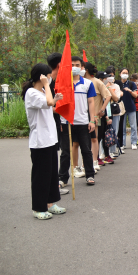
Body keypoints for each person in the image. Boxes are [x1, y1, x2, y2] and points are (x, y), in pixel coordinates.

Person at [22, 63, 66, 220]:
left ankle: (50, 203)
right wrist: (48, 89)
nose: (50, 77)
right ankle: (38, 208)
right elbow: (47, 102)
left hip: (50, 139)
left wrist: (56, 99)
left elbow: (50, 104)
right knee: (41, 175)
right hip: (39, 142)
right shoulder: (31, 93)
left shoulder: (41, 91)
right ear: (41, 76)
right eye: (48, 75)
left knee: (52, 174)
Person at [58, 56, 97, 186]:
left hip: (83, 122)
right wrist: (60, 121)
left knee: (86, 150)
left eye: (77, 65)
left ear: (82, 67)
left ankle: (90, 175)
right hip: (66, 122)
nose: (74, 67)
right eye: (72, 64)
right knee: (65, 152)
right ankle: (63, 178)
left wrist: (92, 120)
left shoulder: (87, 83)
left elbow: (91, 102)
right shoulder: (63, 83)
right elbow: (59, 103)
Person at [46, 52, 69, 196]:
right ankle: (51, 187)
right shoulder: (47, 82)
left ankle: (57, 183)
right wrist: (59, 109)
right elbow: (48, 105)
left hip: (59, 122)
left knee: (60, 153)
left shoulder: (59, 81)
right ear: (60, 64)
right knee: (51, 156)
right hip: (49, 125)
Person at [84, 63, 111, 170]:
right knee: (85, 141)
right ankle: (85, 163)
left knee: (93, 139)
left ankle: (94, 161)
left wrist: (102, 109)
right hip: (82, 115)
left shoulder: (97, 82)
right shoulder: (81, 82)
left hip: (94, 115)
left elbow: (108, 95)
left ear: (85, 70)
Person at [118, 68, 138, 150]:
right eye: (123, 72)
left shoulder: (131, 83)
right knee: (122, 127)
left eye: (126, 73)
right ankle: (122, 143)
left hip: (131, 107)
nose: (125, 74)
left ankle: (134, 142)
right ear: (120, 74)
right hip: (121, 108)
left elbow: (136, 95)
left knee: (133, 126)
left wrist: (130, 91)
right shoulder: (117, 83)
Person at [103, 71, 122, 159]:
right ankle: (104, 152)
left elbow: (116, 99)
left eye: (112, 76)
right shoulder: (101, 85)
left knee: (114, 131)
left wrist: (109, 89)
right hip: (105, 111)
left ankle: (112, 151)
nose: (110, 77)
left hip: (114, 111)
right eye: (108, 76)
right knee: (104, 133)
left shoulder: (116, 86)